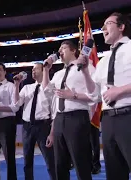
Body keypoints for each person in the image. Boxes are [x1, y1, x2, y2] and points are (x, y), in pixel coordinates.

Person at [77, 12, 131, 180]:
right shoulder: (103, 60)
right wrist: (85, 73)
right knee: (115, 175)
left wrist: (120, 90)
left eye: (108, 24)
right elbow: (95, 95)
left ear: (121, 26)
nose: (103, 28)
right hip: (108, 122)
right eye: (102, 26)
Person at [42, 40, 95, 180]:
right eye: (59, 48)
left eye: (63, 48)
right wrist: (46, 71)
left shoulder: (86, 67)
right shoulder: (59, 73)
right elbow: (47, 90)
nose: (60, 50)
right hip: (59, 119)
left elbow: (95, 95)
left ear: (73, 50)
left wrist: (73, 95)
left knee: (80, 162)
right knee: (60, 164)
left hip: (77, 117)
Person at [13, 63, 56, 180]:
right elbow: (16, 104)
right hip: (27, 127)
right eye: (32, 69)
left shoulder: (50, 87)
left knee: (50, 159)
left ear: (43, 71)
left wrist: (52, 133)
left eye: (36, 69)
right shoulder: (27, 88)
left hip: (43, 126)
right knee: (27, 160)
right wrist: (17, 85)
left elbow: (54, 112)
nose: (33, 71)